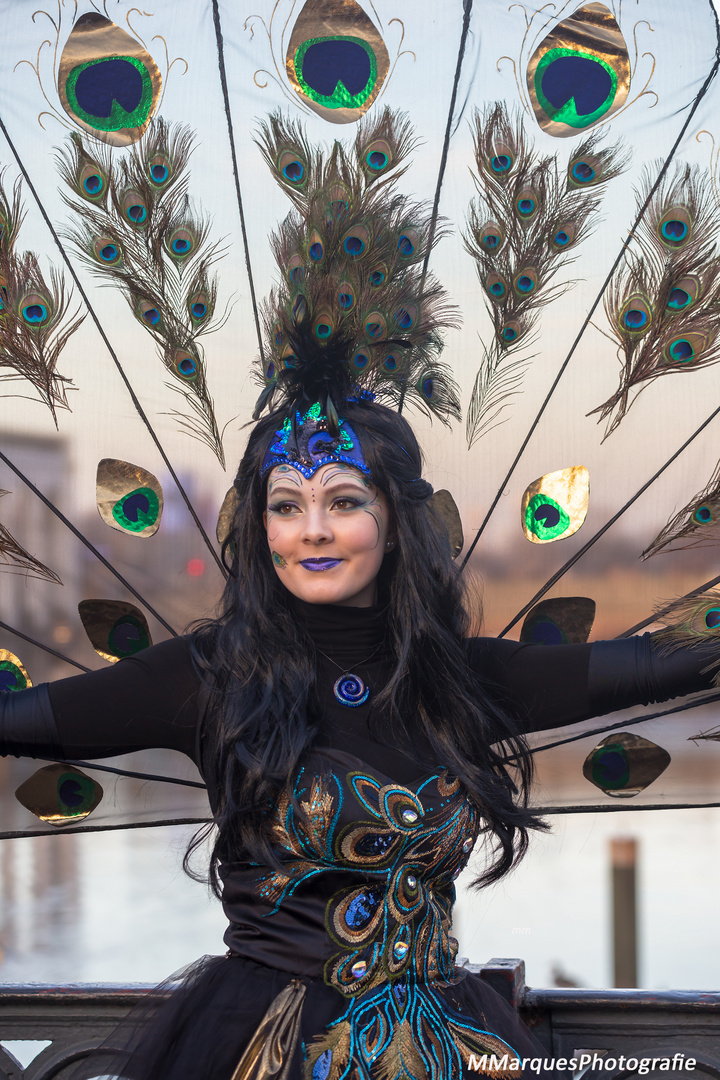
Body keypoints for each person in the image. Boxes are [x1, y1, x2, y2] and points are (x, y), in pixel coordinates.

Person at [1, 110, 718, 1080]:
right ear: (258, 522)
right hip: (260, 1050)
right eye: (286, 504)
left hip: (447, 1045)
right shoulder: (209, 675)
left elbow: (650, 665)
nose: (313, 529)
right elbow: (26, 721)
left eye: (343, 501)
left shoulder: (459, 679)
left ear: (393, 519)